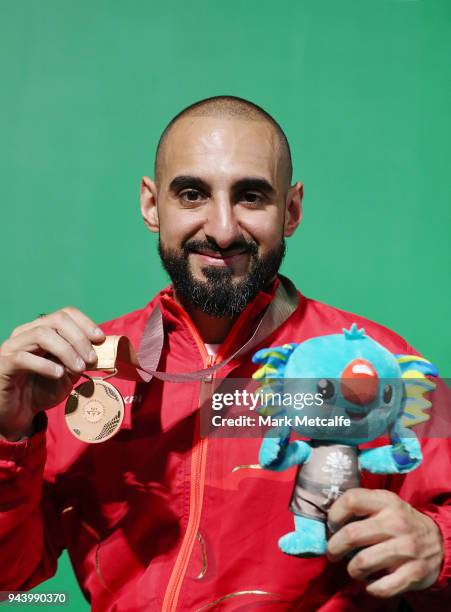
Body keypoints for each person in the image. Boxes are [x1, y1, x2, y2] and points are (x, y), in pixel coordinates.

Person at [0, 96, 449, 612]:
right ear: (151, 205)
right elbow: (10, 577)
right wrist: (8, 435)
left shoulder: (379, 360)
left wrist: (440, 545)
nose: (221, 229)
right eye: (191, 194)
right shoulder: (74, 371)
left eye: (251, 197)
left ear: (292, 210)